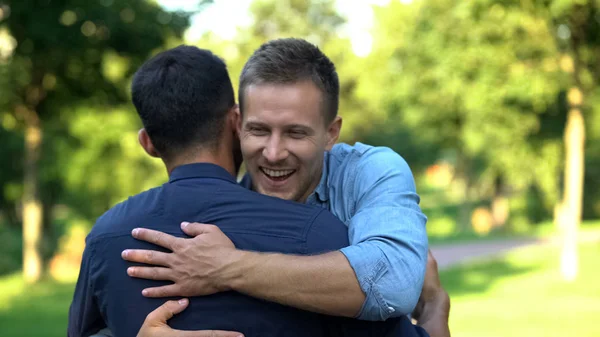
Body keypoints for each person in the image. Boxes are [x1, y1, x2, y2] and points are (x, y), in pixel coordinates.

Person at [68, 45, 429, 337]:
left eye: (296, 133)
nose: (273, 153)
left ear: (331, 132)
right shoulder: (224, 213)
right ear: (236, 124)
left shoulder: (369, 172)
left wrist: (227, 266)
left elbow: (394, 283)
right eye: (258, 130)